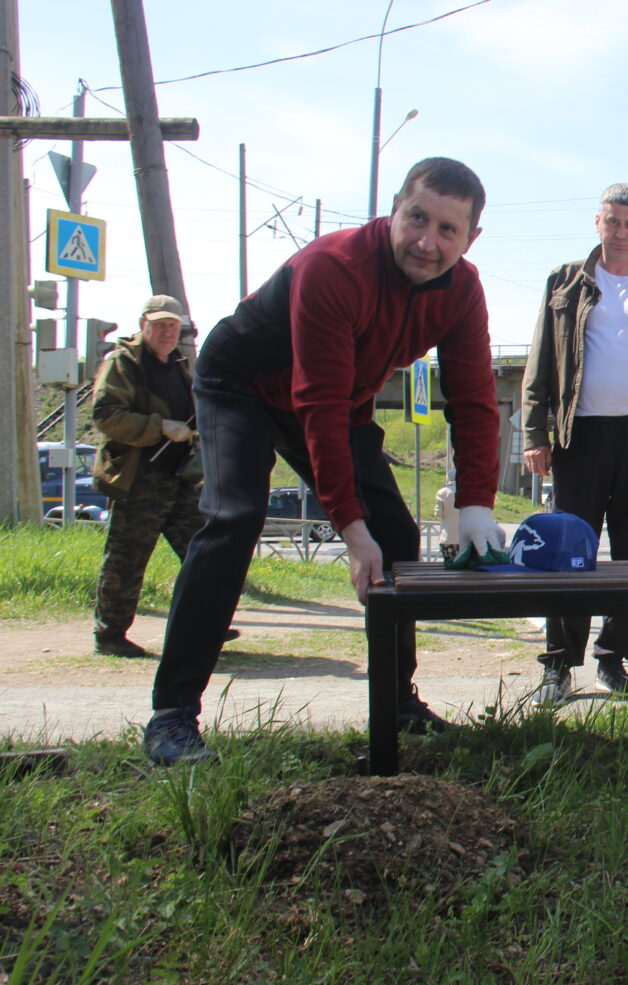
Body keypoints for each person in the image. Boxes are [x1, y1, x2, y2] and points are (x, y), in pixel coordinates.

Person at [142, 157, 506, 765]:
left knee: (394, 532)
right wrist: (347, 526)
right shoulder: (333, 267)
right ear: (395, 207)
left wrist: (476, 505)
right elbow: (318, 402)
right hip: (243, 385)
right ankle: (172, 715)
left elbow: (473, 401)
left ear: (471, 238)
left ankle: (396, 701)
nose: (427, 241)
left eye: (449, 230)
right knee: (235, 518)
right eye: (417, 218)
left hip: (340, 398)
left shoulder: (462, 290)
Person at [520, 183, 628, 704]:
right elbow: (540, 362)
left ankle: (613, 660)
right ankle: (558, 665)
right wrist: (535, 432)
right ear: (596, 223)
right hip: (579, 437)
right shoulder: (565, 282)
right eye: (612, 221)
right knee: (566, 553)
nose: (620, 232)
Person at [89, 295, 238, 658]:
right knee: (127, 557)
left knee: (204, 554)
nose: (167, 331)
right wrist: (159, 427)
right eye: (159, 325)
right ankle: (110, 635)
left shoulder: (179, 365)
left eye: (173, 326)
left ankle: (206, 627)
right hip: (139, 478)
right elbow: (105, 415)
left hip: (179, 478)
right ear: (144, 325)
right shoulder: (123, 363)